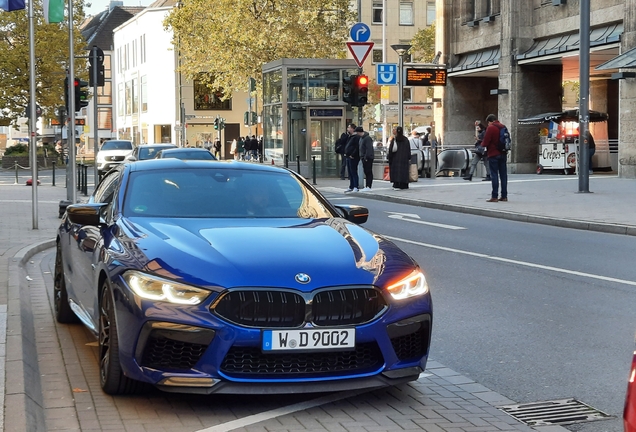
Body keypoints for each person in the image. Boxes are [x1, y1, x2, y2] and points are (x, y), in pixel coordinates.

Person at [481, 114, 508, 202]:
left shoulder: (491, 128)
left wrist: (482, 145)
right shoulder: (503, 127)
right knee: (503, 175)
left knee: (494, 175)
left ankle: (494, 196)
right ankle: (504, 196)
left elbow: (485, 142)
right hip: (503, 153)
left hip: (493, 154)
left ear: (489, 121)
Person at [343, 123, 360, 193]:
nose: (348, 129)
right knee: (350, 172)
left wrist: (352, 155)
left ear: (353, 129)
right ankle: (351, 186)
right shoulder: (350, 136)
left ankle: (356, 186)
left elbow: (357, 147)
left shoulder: (356, 137)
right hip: (348, 156)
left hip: (353, 157)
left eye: (349, 127)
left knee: (353, 171)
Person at [356, 126, 374, 191]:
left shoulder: (367, 138)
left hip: (367, 158)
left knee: (368, 172)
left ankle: (369, 186)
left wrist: (366, 157)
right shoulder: (362, 138)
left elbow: (368, 149)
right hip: (363, 157)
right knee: (366, 172)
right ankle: (367, 186)